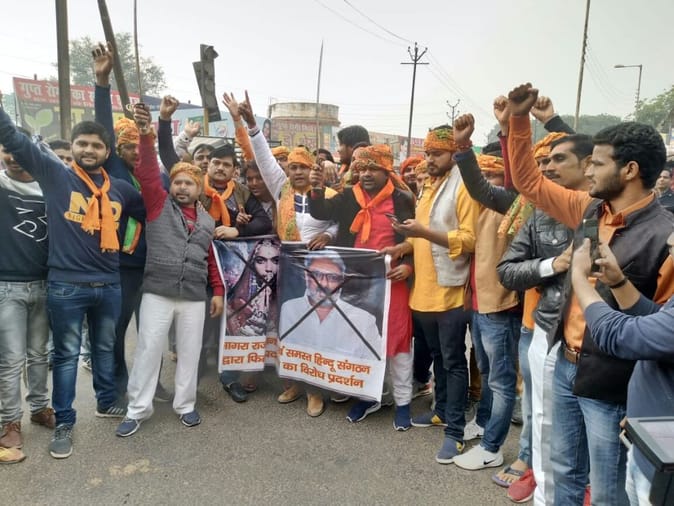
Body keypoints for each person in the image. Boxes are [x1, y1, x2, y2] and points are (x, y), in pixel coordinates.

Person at [507, 82, 674, 506]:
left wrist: (609, 284)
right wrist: (518, 120)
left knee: (607, 492)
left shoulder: (664, 236)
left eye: (597, 163)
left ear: (630, 170)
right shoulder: (588, 208)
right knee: (563, 471)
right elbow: (528, 182)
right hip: (566, 364)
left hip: (615, 386)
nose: (589, 171)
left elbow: (660, 330)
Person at [0, 102, 146, 460]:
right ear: (73, 146)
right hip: (66, 287)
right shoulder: (55, 175)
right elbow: (14, 140)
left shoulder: (121, 190)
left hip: (109, 285)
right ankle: (64, 421)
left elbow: (151, 211)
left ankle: (105, 401)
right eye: (82, 143)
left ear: (107, 152)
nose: (88, 149)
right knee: (65, 357)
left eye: (97, 145)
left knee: (104, 348)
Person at [115, 105, 224, 437]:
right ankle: (137, 409)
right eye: (177, 182)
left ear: (200, 188)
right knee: (148, 349)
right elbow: (149, 171)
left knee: (190, 352)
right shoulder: (158, 205)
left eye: (189, 183)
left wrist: (218, 291)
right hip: (157, 292)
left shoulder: (207, 220)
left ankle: (185, 405)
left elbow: (210, 258)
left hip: (193, 296)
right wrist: (146, 132)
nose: (182, 188)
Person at [385, 124, 481, 464]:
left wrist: (423, 232)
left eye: (436, 154)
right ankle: (441, 411)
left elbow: (469, 240)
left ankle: (455, 432)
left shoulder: (464, 187)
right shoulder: (428, 186)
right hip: (423, 292)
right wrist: (402, 245)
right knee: (439, 357)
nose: (429, 160)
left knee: (453, 362)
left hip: (450, 292)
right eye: (427, 153)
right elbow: (420, 236)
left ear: (454, 153)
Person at [238, 90, 338, 416]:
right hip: (286, 266)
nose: (296, 172)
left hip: (318, 268)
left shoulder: (327, 194)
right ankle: (293, 382)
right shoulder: (282, 189)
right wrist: (252, 125)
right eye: (292, 167)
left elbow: (340, 225)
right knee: (289, 325)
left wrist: (327, 234)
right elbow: (264, 158)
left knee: (314, 327)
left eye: (302, 167)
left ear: (313, 169)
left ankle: (315, 391)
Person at [310, 144, 416, 429]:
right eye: (362, 169)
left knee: (397, 342)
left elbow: (417, 240)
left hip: (393, 280)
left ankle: (403, 403)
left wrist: (408, 267)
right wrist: (317, 189)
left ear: (387, 171)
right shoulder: (348, 196)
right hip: (356, 281)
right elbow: (321, 212)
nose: (366, 174)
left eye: (373, 169)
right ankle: (368, 396)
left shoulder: (403, 199)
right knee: (361, 339)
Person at [92, 42, 172, 402]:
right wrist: (102, 82)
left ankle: (151, 383)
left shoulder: (158, 177)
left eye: (140, 147)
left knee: (152, 332)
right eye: (128, 147)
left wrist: (157, 127)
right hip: (121, 265)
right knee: (116, 328)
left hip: (154, 265)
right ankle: (119, 384)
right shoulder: (113, 172)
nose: (136, 153)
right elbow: (103, 128)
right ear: (117, 149)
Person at [572, 237, 674, 506]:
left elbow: (618, 335)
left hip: (664, 467)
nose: (670, 240)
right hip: (653, 447)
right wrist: (618, 282)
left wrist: (580, 280)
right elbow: (657, 321)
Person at [447, 115, 522, 474]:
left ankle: (492, 447)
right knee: (488, 371)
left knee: (501, 381)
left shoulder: (510, 204)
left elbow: (510, 181)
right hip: (480, 304)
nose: (488, 182)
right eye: (485, 175)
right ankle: (483, 422)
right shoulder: (478, 211)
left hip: (501, 307)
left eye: (495, 176)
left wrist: (508, 130)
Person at [0, 135, 54, 456]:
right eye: (7, 151)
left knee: (39, 354)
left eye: (20, 151)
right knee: (10, 360)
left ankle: (39, 408)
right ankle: (9, 422)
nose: (14, 157)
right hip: (7, 287)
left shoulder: (49, 185)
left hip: (44, 284)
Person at [279, 250, 381, 360]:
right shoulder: (288, 309)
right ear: (306, 276)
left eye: (332, 277)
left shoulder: (364, 321)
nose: (323, 284)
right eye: (317, 275)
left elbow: (375, 365)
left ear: (342, 281)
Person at [226, 237, 280, 338]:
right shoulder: (237, 303)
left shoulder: (289, 303)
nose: (268, 268)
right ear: (252, 263)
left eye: (276, 261)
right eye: (260, 261)